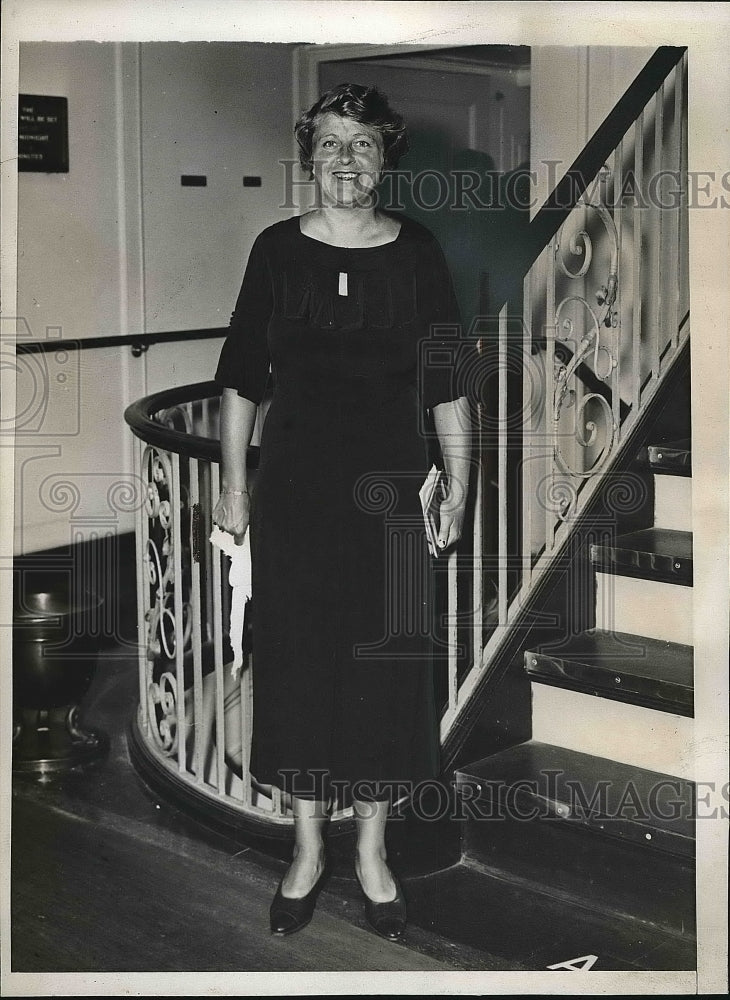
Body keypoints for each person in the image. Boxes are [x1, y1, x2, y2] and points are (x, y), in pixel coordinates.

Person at [212, 83, 470, 941]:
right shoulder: (277, 252)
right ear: (309, 157)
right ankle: (306, 849)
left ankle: (371, 852)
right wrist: (232, 485)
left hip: (393, 495)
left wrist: (460, 484)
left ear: (386, 156)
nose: (347, 161)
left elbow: (446, 387)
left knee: (384, 673)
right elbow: (244, 378)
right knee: (299, 667)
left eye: (363, 144)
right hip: (294, 494)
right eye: (331, 144)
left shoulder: (419, 254)